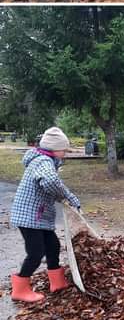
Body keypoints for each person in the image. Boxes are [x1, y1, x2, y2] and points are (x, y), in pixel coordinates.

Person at [9, 127, 81, 303]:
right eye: (63, 150)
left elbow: (50, 183)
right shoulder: (43, 161)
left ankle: (57, 282)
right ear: (54, 149)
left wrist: (61, 196)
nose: (65, 153)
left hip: (38, 217)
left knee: (53, 246)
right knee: (36, 252)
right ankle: (20, 289)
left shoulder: (45, 160)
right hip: (29, 217)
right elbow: (50, 182)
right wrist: (68, 197)